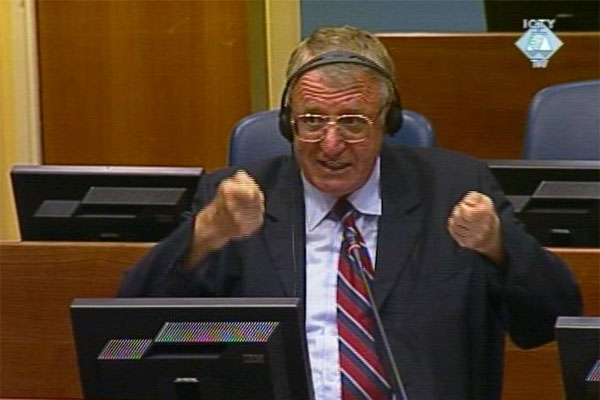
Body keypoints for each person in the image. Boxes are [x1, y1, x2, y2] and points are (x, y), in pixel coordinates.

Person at [118, 26, 581, 400]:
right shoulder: (237, 200)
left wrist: (498, 246)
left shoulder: (454, 188)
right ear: (287, 121)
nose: (331, 144)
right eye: (312, 121)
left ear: (388, 121)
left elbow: (549, 322)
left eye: (353, 122)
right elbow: (127, 341)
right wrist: (205, 234)